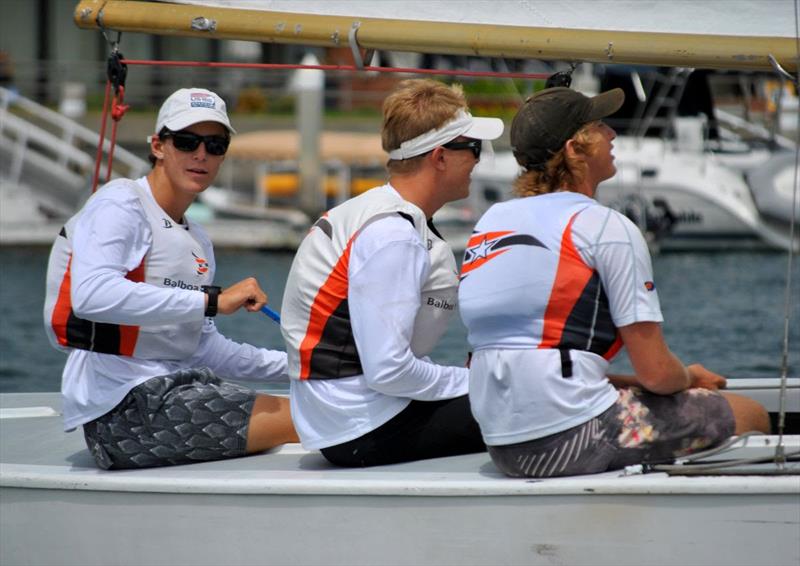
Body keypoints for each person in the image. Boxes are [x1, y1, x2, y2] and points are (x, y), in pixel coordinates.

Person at [457, 86, 770, 478]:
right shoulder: (604, 227)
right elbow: (658, 373)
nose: (612, 135)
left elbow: (542, 358)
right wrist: (689, 377)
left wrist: (646, 383)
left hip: (503, 442)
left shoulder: (492, 222)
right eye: (600, 126)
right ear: (575, 149)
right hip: (565, 441)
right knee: (750, 413)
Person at [44, 88, 298, 469]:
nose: (201, 154)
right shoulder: (121, 202)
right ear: (158, 146)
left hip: (178, 390)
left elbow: (204, 350)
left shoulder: (199, 241)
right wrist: (212, 301)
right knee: (321, 416)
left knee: (323, 401)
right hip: (122, 412)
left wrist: (307, 363)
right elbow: (91, 295)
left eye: (215, 145)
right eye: (186, 141)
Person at [280, 78, 504, 467]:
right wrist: (474, 382)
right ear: (439, 157)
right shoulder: (392, 236)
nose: (478, 160)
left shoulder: (378, 211)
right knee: (532, 405)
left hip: (346, 415)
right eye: (473, 148)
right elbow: (388, 370)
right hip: (362, 425)